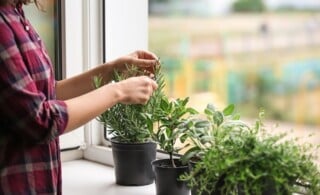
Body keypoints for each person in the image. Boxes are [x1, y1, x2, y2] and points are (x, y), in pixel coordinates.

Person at [0, 0, 158, 194]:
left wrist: (110, 70)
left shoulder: (14, 14)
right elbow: (39, 120)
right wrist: (119, 91)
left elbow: (48, 93)